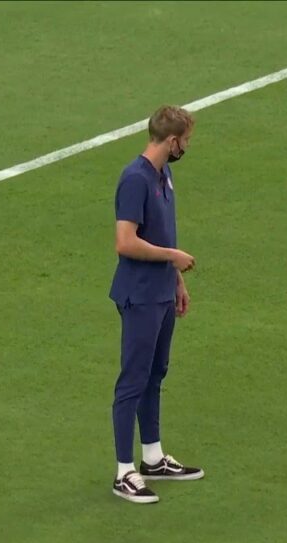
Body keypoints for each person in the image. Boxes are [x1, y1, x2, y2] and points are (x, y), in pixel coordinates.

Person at [108, 105, 204, 504]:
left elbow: (162, 230)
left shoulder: (165, 175)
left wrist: (177, 280)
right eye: (185, 140)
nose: (187, 146)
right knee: (133, 380)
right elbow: (125, 242)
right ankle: (123, 472)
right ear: (171, 141)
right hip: (140, 295)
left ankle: (152, 457)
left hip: (162, 292)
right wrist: (172, 258)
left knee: (155, 374)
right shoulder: (134, 179)